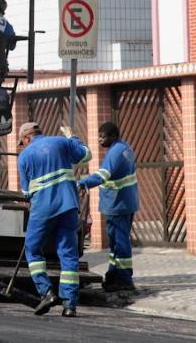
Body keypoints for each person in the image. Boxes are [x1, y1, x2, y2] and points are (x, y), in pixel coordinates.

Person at [16, 121, 92, 317]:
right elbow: (86, 154)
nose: (23, 146)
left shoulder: (24, 156)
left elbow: (26, 192)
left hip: (42, 209)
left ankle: (46, 292)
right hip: (68, 204)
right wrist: (72, 137)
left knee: (32, 248)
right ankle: (70, 305)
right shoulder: (61, 142)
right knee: (68, 253)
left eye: (22, 142)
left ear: (26, 138)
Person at [77, 121, 139, 292]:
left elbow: (102, 176)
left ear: (113, 136)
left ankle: (124, 279)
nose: (100, 140)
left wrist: (80, 183)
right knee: (116, 243)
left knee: (119, 242)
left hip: (117, 203)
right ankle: (114, 274)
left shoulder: (115, 153)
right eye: (99, 136)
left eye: (103, 137)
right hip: (124, 202)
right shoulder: (124, 148)